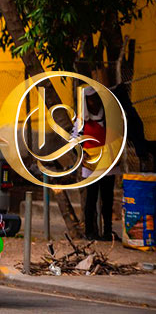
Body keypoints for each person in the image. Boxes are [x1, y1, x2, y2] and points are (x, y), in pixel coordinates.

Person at [72, 87, 120, 240]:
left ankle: (108, 231)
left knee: (108, 199)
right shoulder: (82, 120)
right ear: (86, 101)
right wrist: (81, 154)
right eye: (91, 99)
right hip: (91, 165)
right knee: (91, 199)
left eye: (96, 98)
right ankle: (90, 232)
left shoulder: (108, 117)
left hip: (109, 163)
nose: (95, 102)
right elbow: (74, 140)